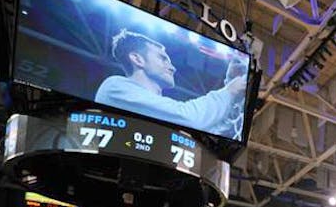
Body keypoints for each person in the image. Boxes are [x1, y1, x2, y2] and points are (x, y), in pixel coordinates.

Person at [96, 29, 246, 138]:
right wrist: (230, 90)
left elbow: (215, 130)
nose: (173, 67)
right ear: (137, 59)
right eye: (163, 58)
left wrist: (231, 89)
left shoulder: (159, 111)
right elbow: (190, 118)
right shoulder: (114, 87)